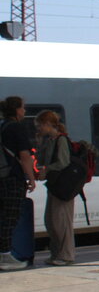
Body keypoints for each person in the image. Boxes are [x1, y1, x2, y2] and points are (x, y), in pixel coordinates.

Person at [0, 96, 37, 271]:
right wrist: (30, 177)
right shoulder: (16, 128)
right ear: (16, 110)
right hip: (12, 179)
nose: (24, 111)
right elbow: (24, 156)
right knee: (10, 217)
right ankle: (5, 256)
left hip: (1, 177)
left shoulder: (1, 126)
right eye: (23, 108)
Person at [34, 110, 75, 265]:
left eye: (39, 126)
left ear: (47, 124)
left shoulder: (61, 140)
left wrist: (47, 169)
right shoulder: (50, 140)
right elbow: (41, 158)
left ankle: (66, 255)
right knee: (51, 220)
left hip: (63, 186)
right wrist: (39, 144)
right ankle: (56, 253)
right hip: (54, 185)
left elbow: (63, 162)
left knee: (61, 221)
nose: (38, 129)